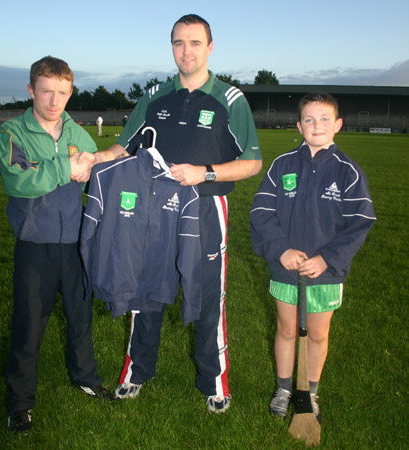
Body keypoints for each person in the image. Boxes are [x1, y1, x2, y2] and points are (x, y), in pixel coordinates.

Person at [83, 14, 262, 413]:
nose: (187, 50)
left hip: (205, 207)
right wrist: (94, 158)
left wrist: (205, 172)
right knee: (146, 289)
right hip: (153, 209)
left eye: (195, 43)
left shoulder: (230, 100)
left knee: (207, 296)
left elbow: (252, 162)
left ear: (210, 47)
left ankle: (213, 382)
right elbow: (123, 148)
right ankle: (136, 372)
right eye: (179, 43)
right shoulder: (153, 95)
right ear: (172, 48)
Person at [0, 56, 114, 434]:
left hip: (75, 245)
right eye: (46, 91)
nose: (54, 100)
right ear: (31, 90)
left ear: (70, 92)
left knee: (81, 319)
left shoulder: (79, 135)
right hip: (35, 246)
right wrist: (66, 167)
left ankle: (85, 377)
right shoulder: (13, 133)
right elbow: (19, 182)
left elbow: (97, 178)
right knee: (28, 326)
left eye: (62, 92)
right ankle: (19, 403)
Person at [250, 92, 376, 423]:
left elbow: (360, 221)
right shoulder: (282, 165)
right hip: (286, 267)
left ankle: (310, 392)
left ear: (338, 125)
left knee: (318, 334)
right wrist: (281, 249)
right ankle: (284, 388)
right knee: (287, 329)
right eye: (309, 119)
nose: (316, 126)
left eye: (324, 120)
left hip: (326, 272)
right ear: (298, 125)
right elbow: (261, 213)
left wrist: (327, 258)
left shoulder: (348, 171)